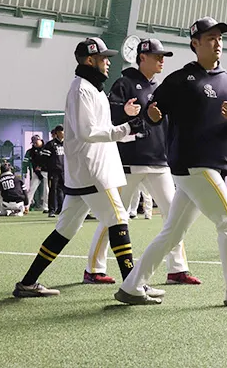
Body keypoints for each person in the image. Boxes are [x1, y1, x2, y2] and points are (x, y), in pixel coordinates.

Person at [116, 17, 227, 306]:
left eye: (219, 38)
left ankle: (132, 286)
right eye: (210, 38)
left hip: (210, 166)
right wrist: (152, 115)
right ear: (195, 44)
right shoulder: (179, 80)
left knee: (172, 233)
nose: (217, 43)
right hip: (194, 164)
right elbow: (152, 110)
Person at [13, 37, 149, 299]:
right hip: (93, 170)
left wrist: (131, 132)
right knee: (118, 219)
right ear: (90, 60)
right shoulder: (81, 89)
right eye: (103, 58)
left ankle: (27, 283)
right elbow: (88, 132)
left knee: (65, 229)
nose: (108, 62)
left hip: (86, 170)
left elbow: (100, 129)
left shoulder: (92, 88)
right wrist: (126, 128)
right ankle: (132, 286)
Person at [86, 38, 201, 286]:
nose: (162, 60)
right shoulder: (124, 83)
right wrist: (123, 112)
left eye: (163, 57)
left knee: (173, 216)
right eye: (157, 56)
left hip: (160, 162)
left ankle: (177, 269)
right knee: (113, 217)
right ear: (142, 58)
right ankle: (94, 268)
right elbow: (108, 117)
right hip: (128, 163)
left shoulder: (162, 88)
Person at [43, 126, 66, 217]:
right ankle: (51, 210)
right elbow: (44, 158)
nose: (63, 133)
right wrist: (50, 168)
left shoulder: (67, 143)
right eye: (61, 131)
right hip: (53, 172)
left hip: (64, 171)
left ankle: (61, 209)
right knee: (53, 190)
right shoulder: (50, 144)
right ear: (58, 133)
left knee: (64, 190)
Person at [24, 135, 49, 213]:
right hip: (36, 172)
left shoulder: (47, 148)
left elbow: (48, 160)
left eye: (36, 142)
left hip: (46, 171)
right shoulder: (31, 151)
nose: (35, 144)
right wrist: (37, 171)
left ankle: (46, 207)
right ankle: (26, 207)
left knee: (46, 190)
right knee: (32, 189)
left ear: (40, 140)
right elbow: (33, 162)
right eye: (33, 143)